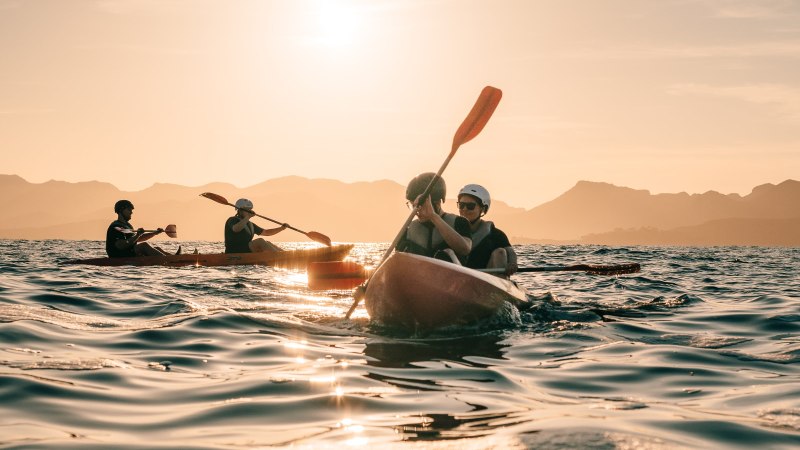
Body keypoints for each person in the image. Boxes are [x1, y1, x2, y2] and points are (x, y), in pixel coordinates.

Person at [396, 173, 471, 263]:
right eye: (413, 206)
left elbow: (465, 249)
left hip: (451, 275)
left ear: (438, 203)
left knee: (447, 253)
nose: (417, 211)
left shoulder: (460, 222)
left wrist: (433, 216)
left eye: (421, 206)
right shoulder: (408, 230)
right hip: (418, 275)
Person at [457, 184, 518, 275]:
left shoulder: (496, 234)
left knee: (500, 252)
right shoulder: (450, 229)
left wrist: (512, 264)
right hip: (457, 279)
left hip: (486, 280)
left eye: (470, 206)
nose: (464, 209)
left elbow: (510, 252)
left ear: (483, 209)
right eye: (461, 205)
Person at [106, 200, 171, 257]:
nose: (131, 212)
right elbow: (120, 245)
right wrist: (137, 235)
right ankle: (168, 260)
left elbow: (136, 239)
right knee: (144, 246)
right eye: (129, 210)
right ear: (121, 211)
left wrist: (154, 233)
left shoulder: (127, 225)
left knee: (157, 248)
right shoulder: (115, 227)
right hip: (118, 255)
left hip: (127, 252)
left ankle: (174, 258)